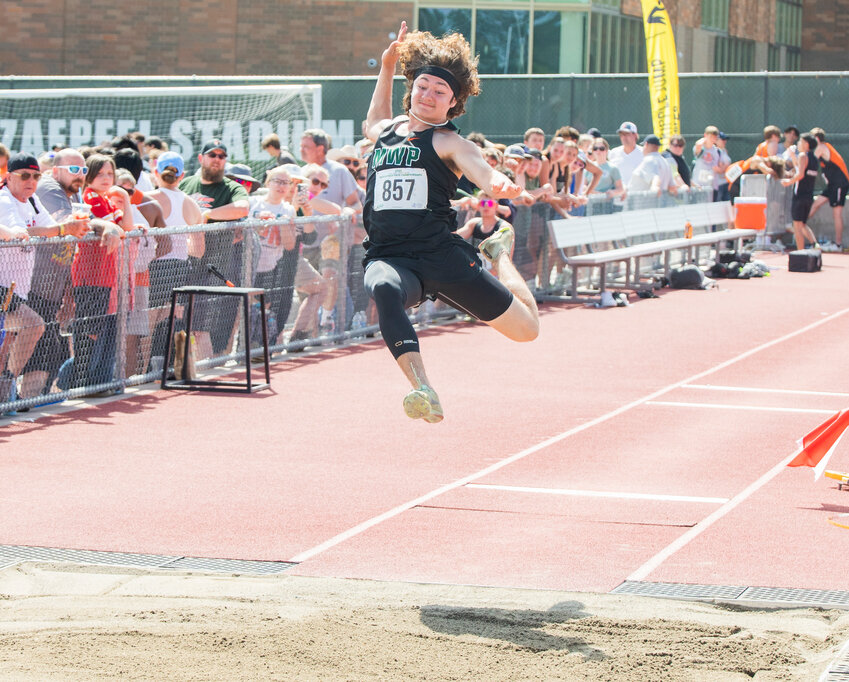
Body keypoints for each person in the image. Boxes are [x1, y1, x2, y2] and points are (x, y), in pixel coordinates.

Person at [363, 21, 539, 423]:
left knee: (527, 330)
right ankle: (422, 388)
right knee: (383, 289)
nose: (427, 95)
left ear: (452, 102)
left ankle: (499, 254)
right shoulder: (386, 133)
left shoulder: (450, 142)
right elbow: (373, 120)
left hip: (440, 255)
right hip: (391, 256)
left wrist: (501, 184)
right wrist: (387, 66)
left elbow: (482, 172)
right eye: (422, 86)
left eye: (439, 91)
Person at [179, 139, 249, 356]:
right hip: (182, 263)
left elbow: (243, 207)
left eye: (222, 156)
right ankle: (183, 369)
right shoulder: (186, 184)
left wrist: (208, 214)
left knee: (201, 327)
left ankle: (207, 372)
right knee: (179, 323)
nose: (217, 160)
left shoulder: (230, 187)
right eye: (213, 155)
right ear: (201, 158)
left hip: (214, 267)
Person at [809, 129, 849, 250]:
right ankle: (798, 227)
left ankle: (838, 244)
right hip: (831, 185)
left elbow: (810, 160)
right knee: (815, 204)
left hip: (839, 184)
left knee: (836, 213)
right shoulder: (820, 149)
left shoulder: (821, 147)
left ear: (816, 139)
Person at [782, 133, 821, 251]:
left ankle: (800, 253)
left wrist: (788, 182)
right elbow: (800, 168)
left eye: (800, 141)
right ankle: (815, 245)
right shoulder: (813, 158)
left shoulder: (803, 155)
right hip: (808, 196)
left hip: (799, 196)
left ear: (806, 144)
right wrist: (793, 156)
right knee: (802, 224)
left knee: (797, 226)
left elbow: (800, 174)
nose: (798, 143)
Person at [607, 121, 643, 186]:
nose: (624, 137)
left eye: (627, 134)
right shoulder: (614, 153)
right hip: (619, 194)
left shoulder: (644, 153)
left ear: (635, 135)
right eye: (621, 135)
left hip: (638, 193)